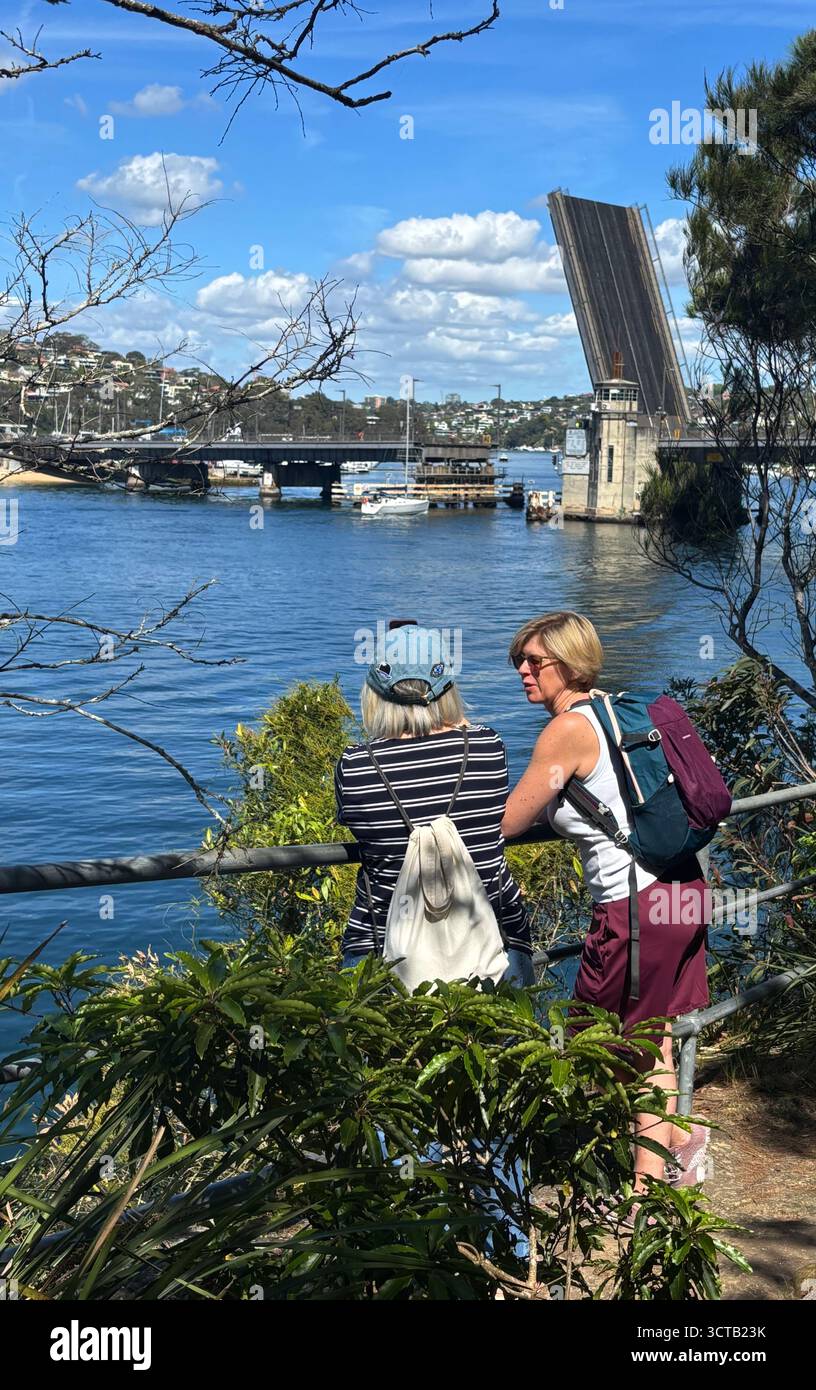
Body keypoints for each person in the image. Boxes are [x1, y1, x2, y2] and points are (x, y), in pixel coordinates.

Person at [501, 610, 709, 1192]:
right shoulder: (618, 711)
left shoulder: (565, 731)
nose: (522, 670)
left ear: (567, 665)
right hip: (682, 888)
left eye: (533, 661)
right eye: (518, 659)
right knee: (656, 1034)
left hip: (635, 908)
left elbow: (509, 822)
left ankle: (643, 1193)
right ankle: (681, 1151)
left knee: (616, 1045)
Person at [335, 628, 533, 987]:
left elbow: (354, 823)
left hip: (384, 950)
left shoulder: (356, 765)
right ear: (448, 690)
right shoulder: (488, 746)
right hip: (497, 943)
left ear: (374, 694)